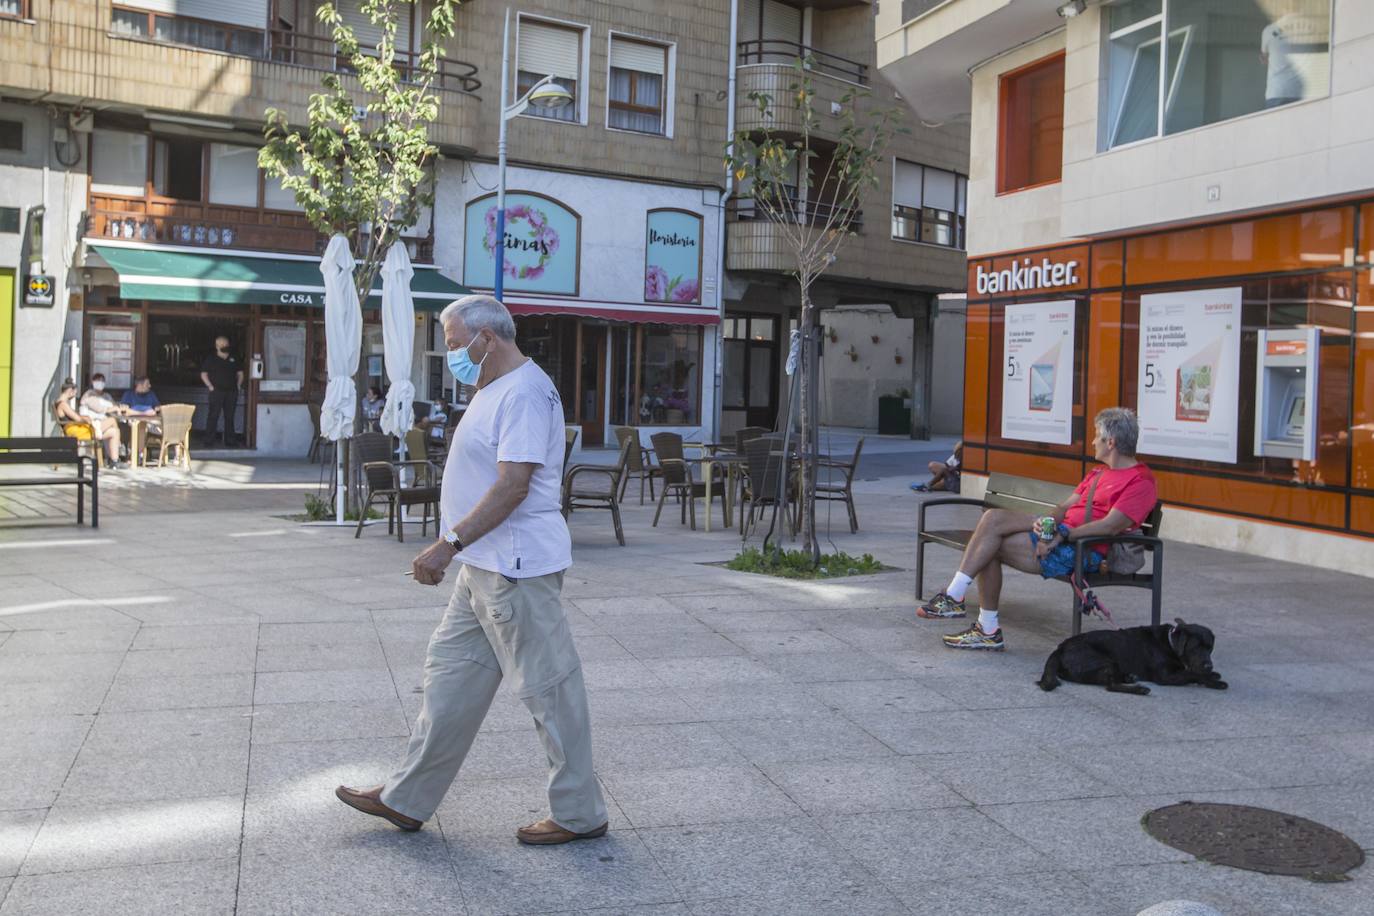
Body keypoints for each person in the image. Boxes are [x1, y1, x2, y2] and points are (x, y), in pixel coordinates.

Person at [336, 295, 607, 846]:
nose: (453, 354)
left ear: (489, 338)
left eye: (457, 344)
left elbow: (514, 484)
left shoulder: (526, 393)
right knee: (449, 680)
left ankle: (580, 813)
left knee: (549, 691)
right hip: (483, 566)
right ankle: (407, 798)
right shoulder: (493, 388)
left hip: (514, 567)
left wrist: (447, 543)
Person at [916, 408, 1157, 651]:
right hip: (1062, 535)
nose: (1093, 442)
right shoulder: (1098, 473)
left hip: (1086, 550)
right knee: (992, 520)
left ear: (1111, 442)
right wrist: (1047, 527)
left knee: (989, 545)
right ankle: (958, 600)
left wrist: (1062, 534)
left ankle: (981, 624)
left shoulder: (1140, 481)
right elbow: (1064, 507)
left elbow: (1111, 525)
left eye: (1097, 436)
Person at [1260, 10, 1327, 109]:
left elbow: (1264, 58)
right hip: (1304, 92)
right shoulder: (1314, 26)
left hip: (1277, 93)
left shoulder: (1269, 30)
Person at [78, 374, 129, 469]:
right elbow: (99, 409)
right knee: (113, 420)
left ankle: (114, 461)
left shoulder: (107, 396)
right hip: (91, 425)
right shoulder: (89, 395)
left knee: (114, 431)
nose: (100, 383)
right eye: (97, 380)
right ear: (93, 382)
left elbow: (114, 405)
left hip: (101, 427)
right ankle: (119, 447)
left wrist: (119, 407)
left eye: (102, 381)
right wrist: (113, 408)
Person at [200, 335, 243, 446]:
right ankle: (209, 441)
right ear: (217, 346)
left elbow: (240, 373)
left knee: (230, 417)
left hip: (231, 392)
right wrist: (210, 386)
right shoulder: (211, 358)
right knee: (213, 416)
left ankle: (230, 441)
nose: (225, 346)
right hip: (216, 391)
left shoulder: (234, 357)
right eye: (223, 344)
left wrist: (238, 385)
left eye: (227, 344)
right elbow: (203, 374)